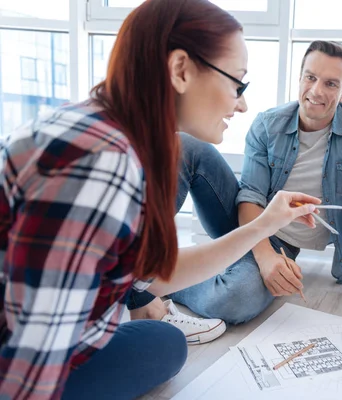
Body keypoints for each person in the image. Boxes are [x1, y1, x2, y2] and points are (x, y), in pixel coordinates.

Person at [0, 1, 320, 399]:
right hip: (20, 358)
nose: (242, 104)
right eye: (238, 83)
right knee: (163, 344)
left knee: (165, 343)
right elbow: (31, 364)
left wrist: (264, 225)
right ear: (181, 70)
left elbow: (153, 272)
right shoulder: (102, 167)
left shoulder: (107, 126)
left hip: (52, 322)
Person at [126, 40, 342, 327]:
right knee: (185, 146)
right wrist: (265, 257)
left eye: (331, 84)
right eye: (310, 77)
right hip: (249, 221)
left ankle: (146, 283)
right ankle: (136, 270)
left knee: (233, 299)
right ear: (299, 78)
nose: (316, 91)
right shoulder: (267, 124)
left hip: (285, 240)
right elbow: (250, 198)